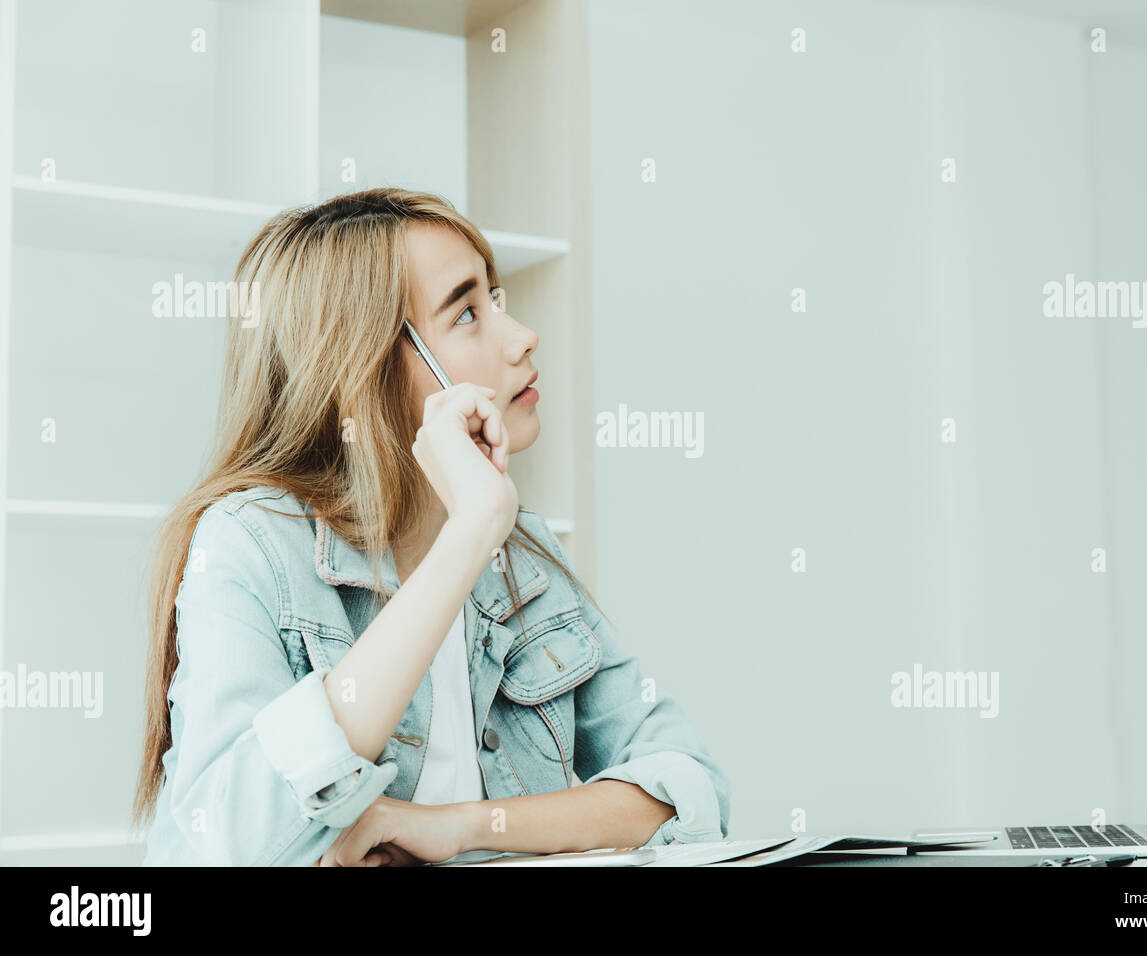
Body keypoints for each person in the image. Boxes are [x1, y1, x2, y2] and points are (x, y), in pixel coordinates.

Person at [132, 187, 730, 866]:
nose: (523, 336)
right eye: (468, 311)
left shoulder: (521, 555)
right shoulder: (248, 543)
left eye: (497, 299)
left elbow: (685, 782)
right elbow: (234, 839)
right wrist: (468, 538)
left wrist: (461, 825)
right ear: (366, 368)